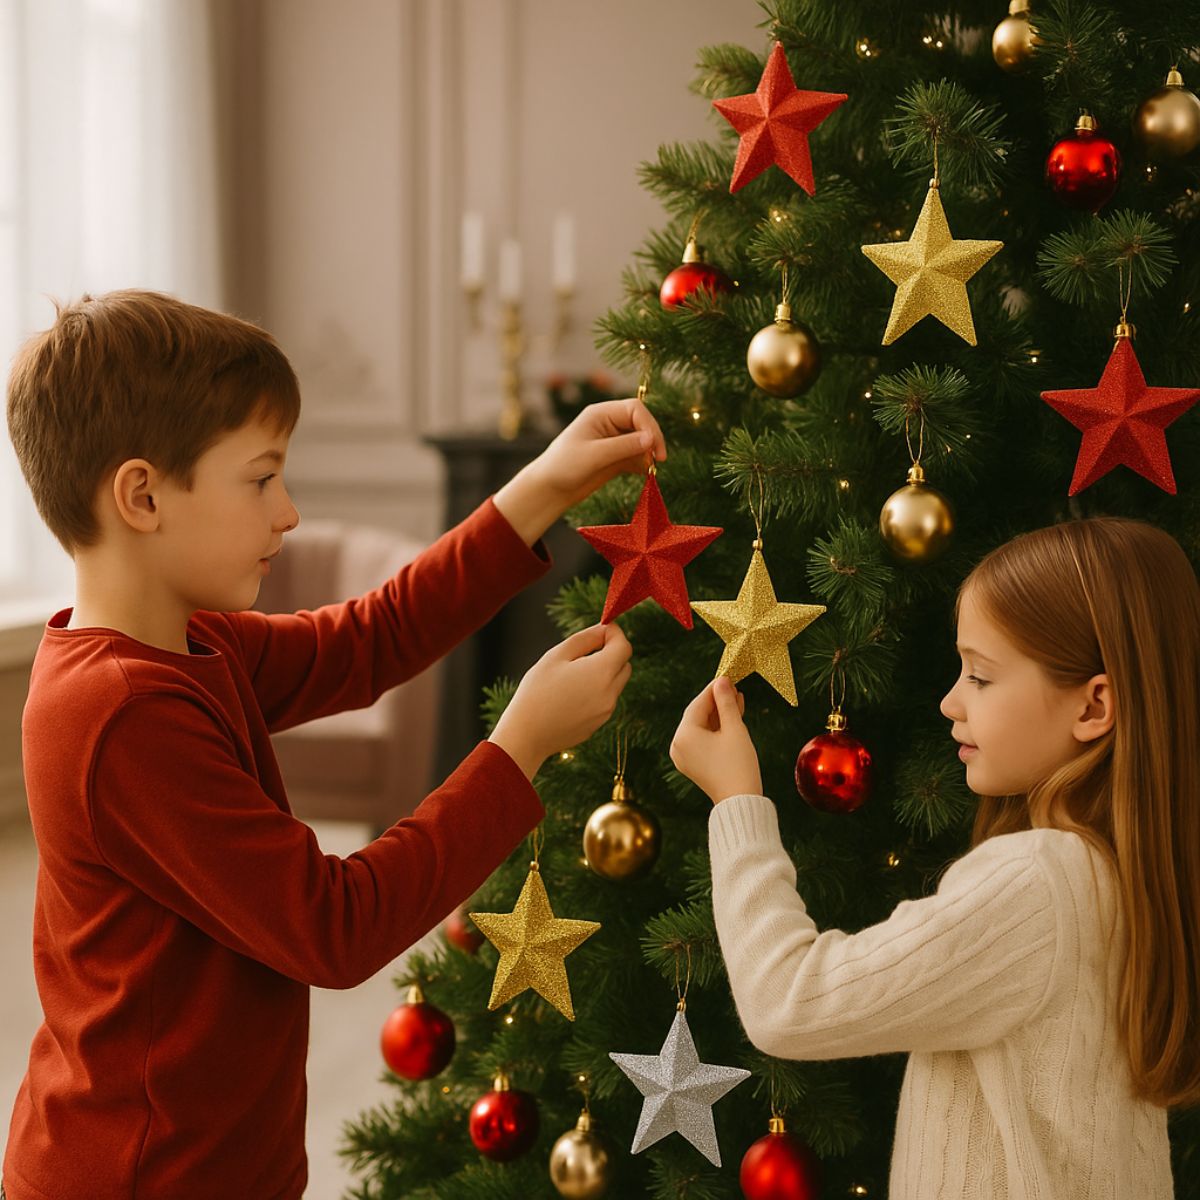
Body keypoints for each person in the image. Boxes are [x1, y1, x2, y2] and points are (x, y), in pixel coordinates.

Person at [1, 289, 665, 1200]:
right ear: (144, 495)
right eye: (261, 478)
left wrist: (544, 483)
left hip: (228, 1164)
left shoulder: (196, 644)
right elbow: (333, 926)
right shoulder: (121, 713)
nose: (289, 513)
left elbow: (368, 640)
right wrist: (519, 749)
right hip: (141, 1177)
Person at [670, 516, 1198, 1199]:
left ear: (1094, 705)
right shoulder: (1126, 876)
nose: (950, 701)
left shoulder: (1035, 883)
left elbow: (787, 1003)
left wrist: (735, 800)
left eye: (980, 677)